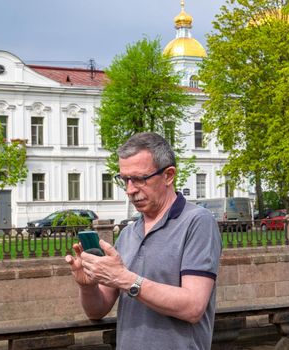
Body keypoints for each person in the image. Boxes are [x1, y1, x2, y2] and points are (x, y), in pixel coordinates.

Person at [65, 132, 222, 349]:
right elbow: (97, 311)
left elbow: (193, 307)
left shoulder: (197, 222)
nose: (130, 190)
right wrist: (88, 286)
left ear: (168, 175)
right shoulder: (129, 233)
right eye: (124, 180)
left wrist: (126, 279)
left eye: (139, 179)